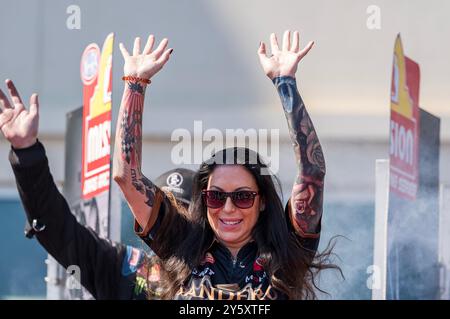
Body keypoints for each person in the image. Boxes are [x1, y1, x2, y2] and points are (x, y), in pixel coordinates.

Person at [113, 30, 335, 300]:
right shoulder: (182, 243)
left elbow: (312, 174)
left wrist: (285, 82)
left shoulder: (285, 251)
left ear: (262, 200)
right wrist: (135, 83)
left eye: (242, 197)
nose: (228, 208)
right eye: (216, 197)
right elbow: (127, 177)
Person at [0, 77, 196, 299]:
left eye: (184, 213)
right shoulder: (127, 269)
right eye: (166, 211)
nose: (173, 223)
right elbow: (58, 229)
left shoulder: (226, 276)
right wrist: (26, 152)